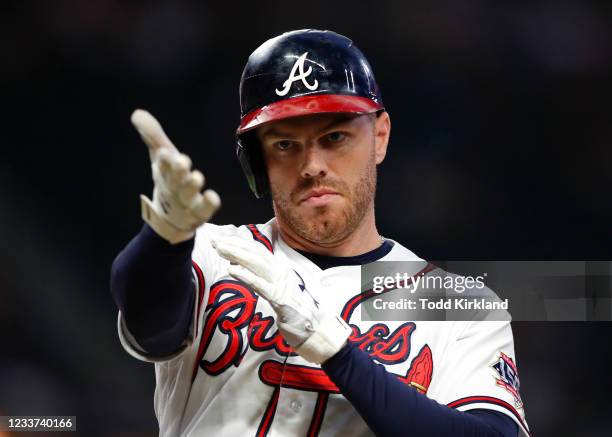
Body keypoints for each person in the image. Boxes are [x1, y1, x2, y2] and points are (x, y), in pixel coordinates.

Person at [111, 29, 529, 436]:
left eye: (334, 137)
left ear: (379, 137)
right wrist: (164, 235)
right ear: (258, 163)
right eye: (285, 144)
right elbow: (148, 322)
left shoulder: (459, 308)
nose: (312, 165)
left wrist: (337, 352)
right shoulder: (212, 254)